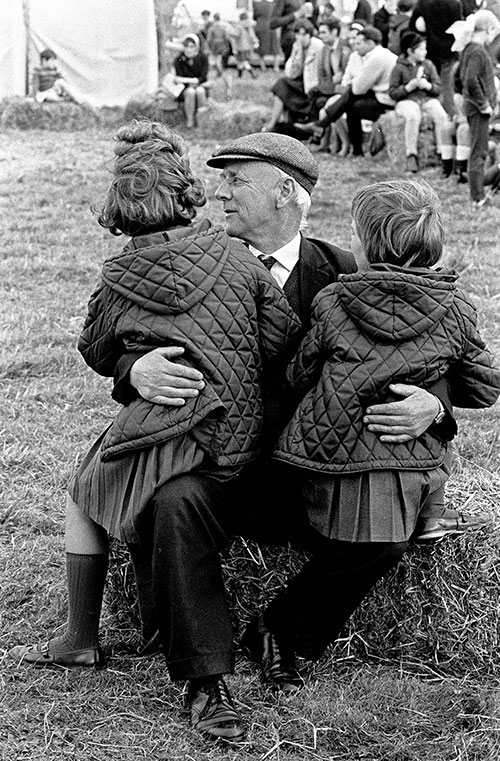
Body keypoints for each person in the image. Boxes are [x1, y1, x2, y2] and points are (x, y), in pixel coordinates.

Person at [117, 133, 488, 693]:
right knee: (174, 501)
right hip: (221, 465)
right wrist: (135, 370)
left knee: (388, 537)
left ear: (285, 192)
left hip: (318, 473)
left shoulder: (346, 275)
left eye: (236, 180)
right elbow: (122, 337)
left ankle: (281, 633)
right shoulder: (191, 261)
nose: (218, 193)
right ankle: (204, 680)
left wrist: (435, 403)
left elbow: (429, 354)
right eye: (221, 180)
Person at [7, 122, 303, 743]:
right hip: (236, 439)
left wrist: (129, 361)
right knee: (150, 493)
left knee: (89, 486)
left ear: (118, 208)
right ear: (189, 192)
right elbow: (283, 338)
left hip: (171, 437)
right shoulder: (233, 257)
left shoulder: (117, 279)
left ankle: (81, 637)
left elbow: (92, 348)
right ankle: (143, 650)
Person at [246, 179, 500, 676]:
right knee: (385, 539)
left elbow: (298, 373)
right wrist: (432, 385)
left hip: (326, 458)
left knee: (380, 543)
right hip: (408, 461)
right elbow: (486, 386)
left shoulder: (335, 302)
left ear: (369, 245)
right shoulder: (454, 309)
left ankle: (279, 627)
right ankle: (431, 510)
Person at [295, 26, 397, 156]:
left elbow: (357, 89)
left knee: (352, 104)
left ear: (370, 43)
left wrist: (355, 82)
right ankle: (326, 129)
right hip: (380, 96)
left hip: (387, 100)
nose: (356, 45)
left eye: (360, 43)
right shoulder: (380, 54)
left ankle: (324, 127)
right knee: (352, 104)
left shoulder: (376, 58)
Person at [451, 9, 500, 204]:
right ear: (488, 29)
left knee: (477, 150)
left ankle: (477, 193)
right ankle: (478, 197)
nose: (494, 37)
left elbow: (458, 78)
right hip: (479, 109)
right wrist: (484, 104)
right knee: (478, 153)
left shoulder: (468, 49)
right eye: (494, 32)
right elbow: (470, 80)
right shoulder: (478, 52)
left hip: (472, 106)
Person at [389, 31, 449, 173]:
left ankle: (443, 152)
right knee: (413, 117)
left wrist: (427, 86)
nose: (425, 51)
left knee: (440, 115)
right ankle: (411, 153)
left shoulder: (428, 65)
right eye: (421, 49)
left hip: (426, 99)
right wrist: (408, 87)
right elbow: (392, 93)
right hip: (407, 100)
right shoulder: (399, 67)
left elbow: (438, 88)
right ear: (410, 51)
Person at [262, 19, 324, 132]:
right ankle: (274, 121)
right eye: (298, 34)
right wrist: (297, 55)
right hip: (302, 83)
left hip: (313, 85)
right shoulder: (297, 46)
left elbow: (317, 73)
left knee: (282, 85)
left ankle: (273, 123)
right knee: (281, 84)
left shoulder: (318, 47)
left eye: (304, 34)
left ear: (310, 35)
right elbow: (291, 73)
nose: (300, 37)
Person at [408, 0, 463, 117]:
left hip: (430, 50)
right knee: (447, 86)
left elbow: (412, 26)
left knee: (431, 84)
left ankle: (434, 114)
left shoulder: (422, 3)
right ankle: (451, 115)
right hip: (449, 50)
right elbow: (459, 28)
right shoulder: (455, 3)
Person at [308, 16, 351, 151]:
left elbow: (349, 74)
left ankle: (341, 143)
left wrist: (338, 80)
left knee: (327, 106)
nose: (320, 36)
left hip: (344, 89)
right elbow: (321, 75)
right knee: (319, 101)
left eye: (324, 32)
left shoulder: (346, 49)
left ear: (334, 32)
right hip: (330, 88)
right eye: (320, 32)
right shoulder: (323, 50)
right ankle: (325, 144)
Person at [173, 33, 210, 129]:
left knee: (200, 91)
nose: (188, 50)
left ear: (196, 47)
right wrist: (192, 80)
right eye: (186, 47)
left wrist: (195, 81)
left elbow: (203, 76)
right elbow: (179, 78)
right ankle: (190, 120)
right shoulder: (179, 59)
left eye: (191, 47)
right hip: (184, 88)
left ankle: (201, 120)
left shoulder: (203, 57)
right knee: (190, 92)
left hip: (200, 85)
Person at [206, 12, 233, 97]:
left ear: (214, 19)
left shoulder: (212, 28)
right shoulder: (223, 27)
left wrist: (208, 47)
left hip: (215, 46)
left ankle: (223, 76)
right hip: (222, 46)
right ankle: (221, 74)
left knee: (216, 62)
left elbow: (209, 39)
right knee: (217, 62)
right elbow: (226, 37)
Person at [253, 0, 282, 72]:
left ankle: (263, 66)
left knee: (262, 47)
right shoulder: (273, 4)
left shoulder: (257, 4)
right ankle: (276, 67)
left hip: (261, 26)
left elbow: (254, 16)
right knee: (275, 48)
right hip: (271, 26)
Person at [230, 11, 260, 78]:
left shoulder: (239, 27)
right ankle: (239, 75)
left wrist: (229, 33)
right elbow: (253, 36)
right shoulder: (249, 27)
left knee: (243, 62)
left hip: (240, 47)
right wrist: (255, 42)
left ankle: (253, 73)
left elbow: (236, 34)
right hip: (248, 47)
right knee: (240, 62)